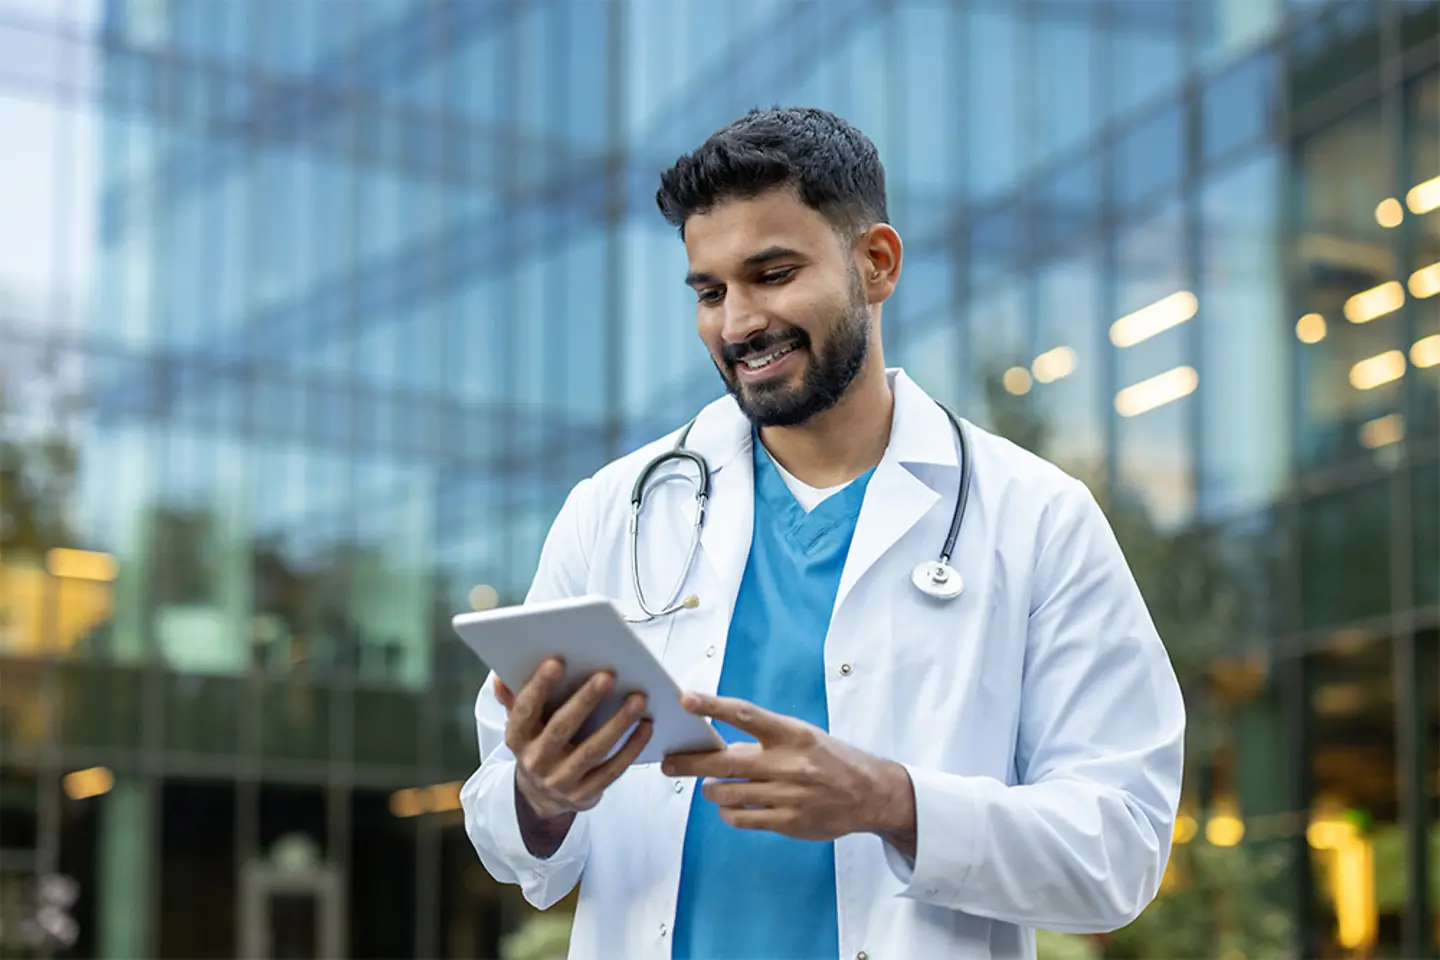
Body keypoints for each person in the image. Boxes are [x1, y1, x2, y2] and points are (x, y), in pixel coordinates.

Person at [461, 106, 1186, 960]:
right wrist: (542, 797)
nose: (736, 324)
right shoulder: (615, 509)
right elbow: (508, 831)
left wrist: (893, 802)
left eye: (772, 274)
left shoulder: (1036, 517)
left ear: (875, 264)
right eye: (710, 290)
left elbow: (1123, 847)